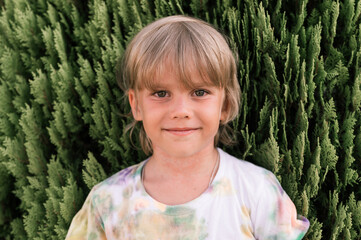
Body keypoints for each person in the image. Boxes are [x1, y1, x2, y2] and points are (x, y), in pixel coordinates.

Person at [65, 15, 310, 239]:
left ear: (225, 104)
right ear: (136, 104)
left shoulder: (257, 191)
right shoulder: (107, 201)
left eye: (200, 92)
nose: (180, 111)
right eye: (161, 93)